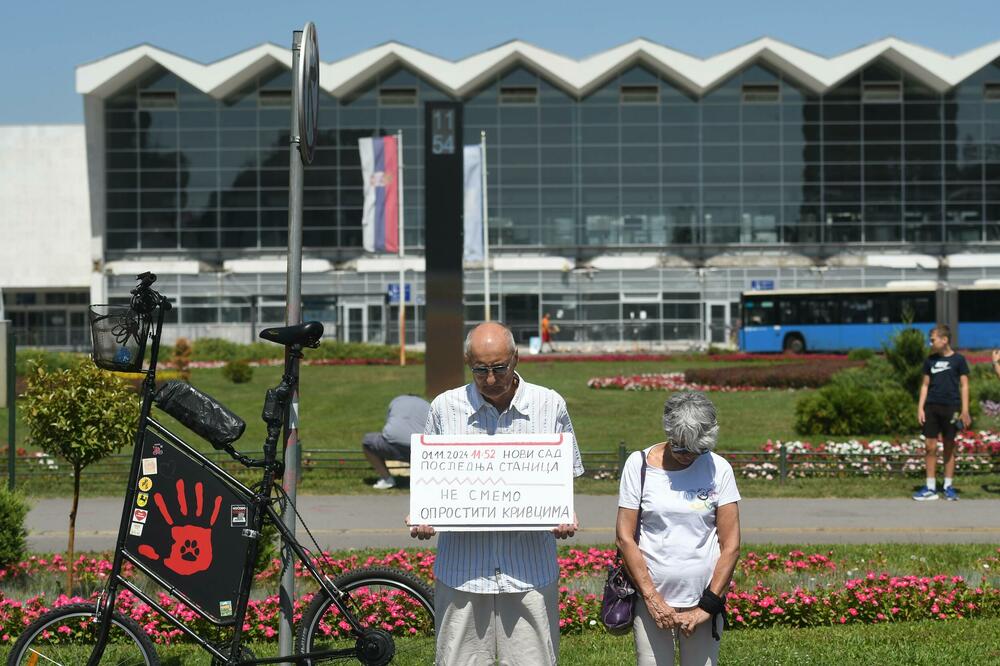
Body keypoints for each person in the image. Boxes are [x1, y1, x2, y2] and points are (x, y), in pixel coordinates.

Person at [408, 321, 584, 665]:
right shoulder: (444, 408)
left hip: (528, 574)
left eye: (499, 368)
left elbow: (563, 477)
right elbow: (430, 482)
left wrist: (564, 511)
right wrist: (423, 514)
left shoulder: (550, 405)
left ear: (516, 358)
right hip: (463, 575)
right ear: (467, 362)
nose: (491, 379)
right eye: (480, 370)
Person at [615, 392, 741, 666]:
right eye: (681, 448)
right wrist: (652, 598)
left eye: (698, 450)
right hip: (651, 599)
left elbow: (730, 545)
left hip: (703, 600)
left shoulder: (719, 469)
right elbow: (625, 538)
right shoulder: (638, 466)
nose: (688, 456)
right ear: (668, 432)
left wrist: (706, 606)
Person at [913, 325, 970, 501]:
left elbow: (965, 385)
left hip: (951, 408)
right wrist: (920, 408)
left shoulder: (959, 360)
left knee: (949, 447)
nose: (930, 343)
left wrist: (965, 410)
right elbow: (924, 385)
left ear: (944, 340)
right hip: (931, 407)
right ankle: (930, 488)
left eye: (933, 339)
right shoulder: (930, 361)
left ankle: (948, 486)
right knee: (930, 447)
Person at [362, 394, 430, 490]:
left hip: (392, 445)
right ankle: (427, 480)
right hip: (422, 450)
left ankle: (387, 480)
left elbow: (389, 422)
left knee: (367, 442)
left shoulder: (397, 400)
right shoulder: (427, 404)